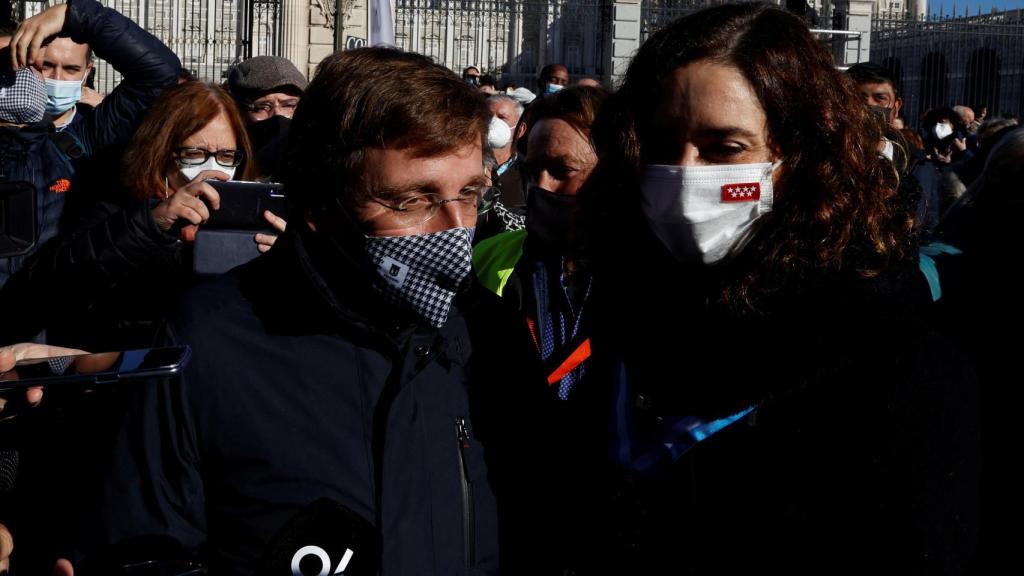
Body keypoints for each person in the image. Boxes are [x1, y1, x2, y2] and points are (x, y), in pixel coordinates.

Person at [496, 4, 980, 572]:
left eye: (725, 148)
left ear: (798, 156)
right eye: (661, 143)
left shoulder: (900, 368)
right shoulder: (629, 316)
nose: (683, 172)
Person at [82, 47, 509, 575]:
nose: (453, 228)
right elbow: (147, 547)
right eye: (412, 200)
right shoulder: (209, 338)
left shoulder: (491, 333)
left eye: (469, 194)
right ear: (321, 205)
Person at [0, 81, 258, 349]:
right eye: (195, 153)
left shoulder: (249, 213)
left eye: (227, 155)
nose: (213, 167)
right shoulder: (115, 198)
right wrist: (150, 225)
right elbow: (53, 282)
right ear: (162, 152)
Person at [0, 0, 181, 287]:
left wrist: (76, 16)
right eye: (46, 66)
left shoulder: (77, 142)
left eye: (70, 69)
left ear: (87, 73)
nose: (13, 77)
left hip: (43, 316)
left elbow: (160, 74)